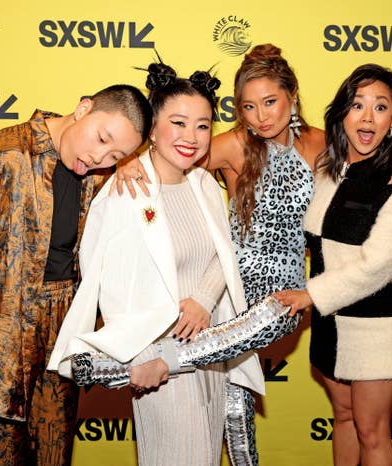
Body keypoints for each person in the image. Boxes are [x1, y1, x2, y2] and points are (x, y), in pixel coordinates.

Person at [114, 44, 392, 464]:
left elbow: (365, 159)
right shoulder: (230, 144)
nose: (261, 116)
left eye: (271, 102)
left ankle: (133, 365)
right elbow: (173, 157)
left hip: (291, 297)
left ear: (292, 96)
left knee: (349, 417)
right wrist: (130, 163)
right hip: (229, 288)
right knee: (235, 406)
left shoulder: (321, 145)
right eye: (248, 107)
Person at [47, 61, 264, 466]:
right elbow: (111, 286)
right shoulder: (126, 190)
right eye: (178, 123)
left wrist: (202, 297)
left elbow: (223, 254)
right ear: (152, 129)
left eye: (202, 126)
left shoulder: (204, 184)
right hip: (159, 359)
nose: (191, 137)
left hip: (208, 353)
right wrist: (141, 354)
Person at [0, 85, 153, 466]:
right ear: (82, 109)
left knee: (54, 457)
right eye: (101, 138)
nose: (98, 156)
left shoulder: (103, 174)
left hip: (63, 337)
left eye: (115, 153)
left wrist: (126, 163)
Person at [274, 63, 392, 466]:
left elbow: (378, 264)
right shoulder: (329, 165)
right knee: (343, 417)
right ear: (343, 112)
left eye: (380, 107)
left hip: (375, 321)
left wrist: (310, 294)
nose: (367, 116)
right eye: (357, 105)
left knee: (372, 431)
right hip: (330, 319)